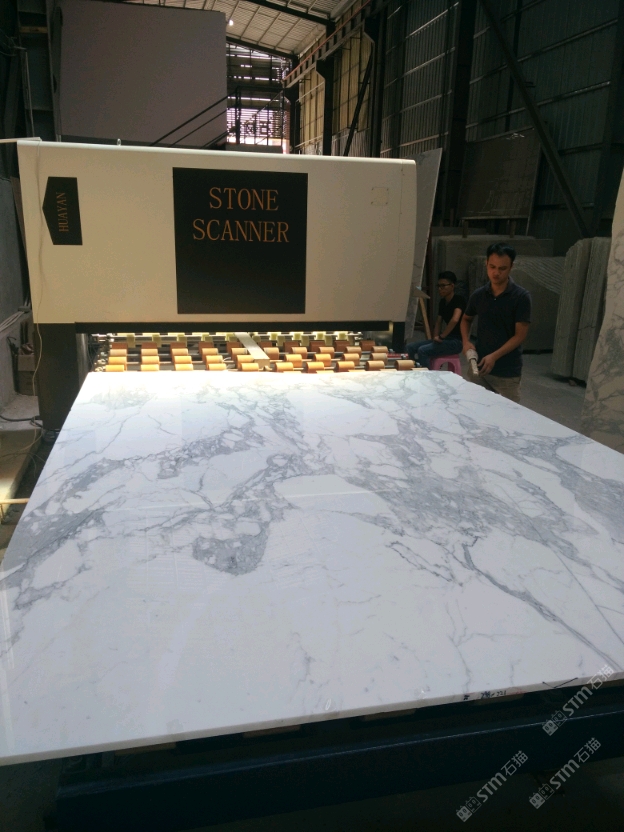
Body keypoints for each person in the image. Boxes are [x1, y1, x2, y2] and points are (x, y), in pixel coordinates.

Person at [461, 242, 531, 404]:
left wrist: (494, 356)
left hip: (507, 372)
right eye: (492, 267)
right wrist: (465, 341)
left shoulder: (521, 297)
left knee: (508, 414)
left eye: (502, 268)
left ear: (511, 267)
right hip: (479, 368)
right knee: (476, 410)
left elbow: (520, 335)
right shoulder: (479, 295)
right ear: (486, 263)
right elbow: (466, 318)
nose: (496, 273)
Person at [406, 272, 465, 368]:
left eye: (443, 286)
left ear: (452, 286)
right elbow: (438, 321)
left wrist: (441, 337)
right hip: (445, 339)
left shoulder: (459, 300)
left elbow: (455, 319)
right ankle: (415, 370)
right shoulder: (442, 302)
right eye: (438, 286)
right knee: (410, 347)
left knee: (422, 350)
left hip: (456, 342)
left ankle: (427, 375)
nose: (440, 289)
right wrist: (435, 337)